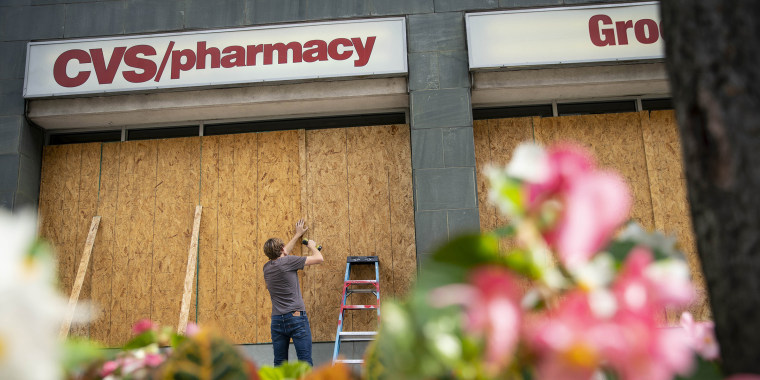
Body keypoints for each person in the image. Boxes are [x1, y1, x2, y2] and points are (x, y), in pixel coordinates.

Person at [262, 219, 324, 367]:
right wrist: (312, 246)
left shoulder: (267, 267)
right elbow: (319, 258)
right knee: (304, 362)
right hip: (296, 318)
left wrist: (297, 235)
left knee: (280, 363)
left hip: (277, 320)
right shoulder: (288, 261)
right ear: (282, 249)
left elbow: (283, 254)